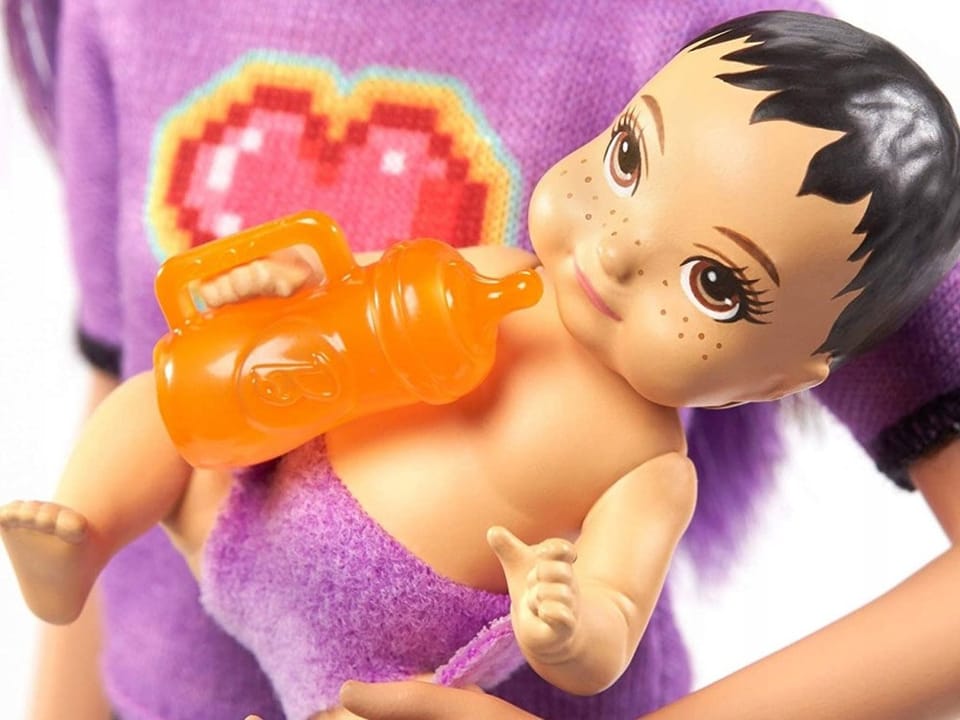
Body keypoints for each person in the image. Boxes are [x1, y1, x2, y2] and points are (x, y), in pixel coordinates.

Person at [4, 2, 960, 720]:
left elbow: (609, 609)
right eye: (627, 160)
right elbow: (196, 338)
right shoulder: (119, 13)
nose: (619, 249)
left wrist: (572, 628)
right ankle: (79, 540)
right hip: (199, 594)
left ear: (779, 381)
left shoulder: (771, 79)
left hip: (395, 666)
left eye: (714, 283)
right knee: (150, 404)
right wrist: (288, 286)